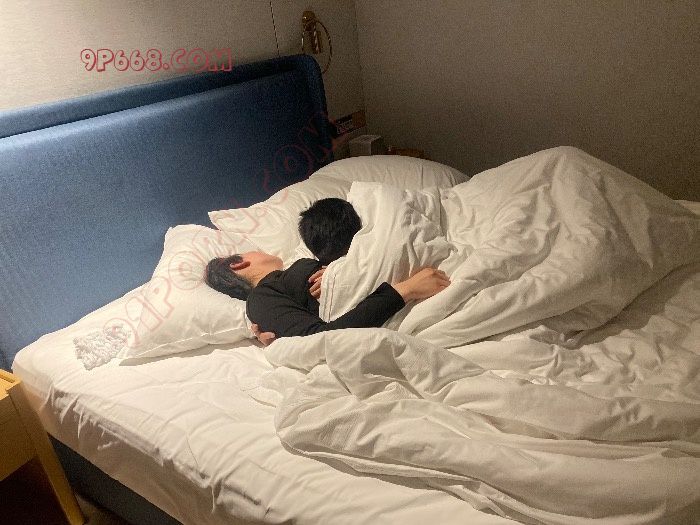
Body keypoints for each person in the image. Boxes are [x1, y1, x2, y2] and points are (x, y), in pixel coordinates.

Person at [205, 198, 450, 343]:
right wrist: (404, 290)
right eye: (250, 251)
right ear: (238, 263)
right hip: (406, 299)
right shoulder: (260, 299)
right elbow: (323, 338)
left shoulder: (293, 268)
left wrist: (337, 270)